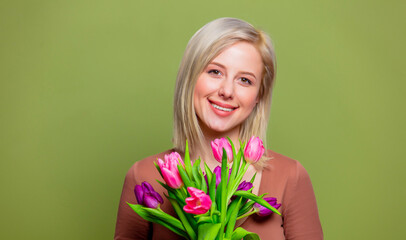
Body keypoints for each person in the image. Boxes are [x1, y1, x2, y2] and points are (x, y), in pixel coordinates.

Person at [114, 17, 323, 240]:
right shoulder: (142, 176)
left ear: (258, 95)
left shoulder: (290, 177)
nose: (227, 91)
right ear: (190, 77)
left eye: (244, 80)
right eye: (215, 72)